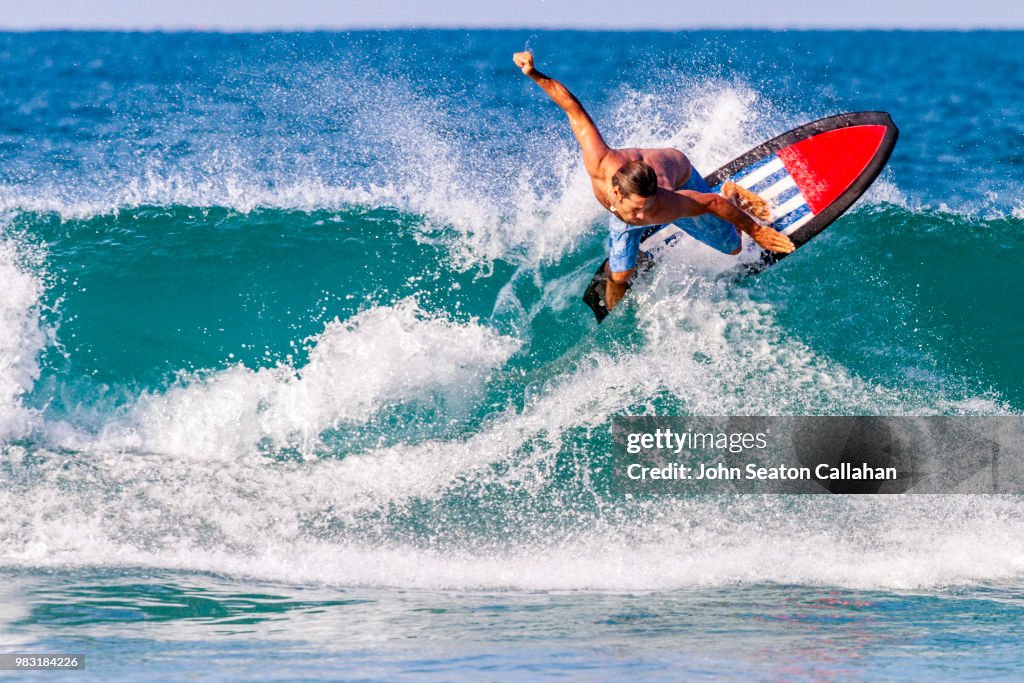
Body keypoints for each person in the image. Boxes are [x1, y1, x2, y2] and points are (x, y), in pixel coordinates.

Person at [512, 51, 795, 310]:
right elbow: (573, 109)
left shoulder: (667, 203)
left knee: (732, 247)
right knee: (620, 276)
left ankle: (733, 190)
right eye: (635, 209)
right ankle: (621, 299)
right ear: (615, 192)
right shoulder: (600, 163)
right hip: (635, 185)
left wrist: (756, 231)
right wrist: (534, 74)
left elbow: (711, 203)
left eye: (645, 208)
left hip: (678, 172)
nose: (642, 215)